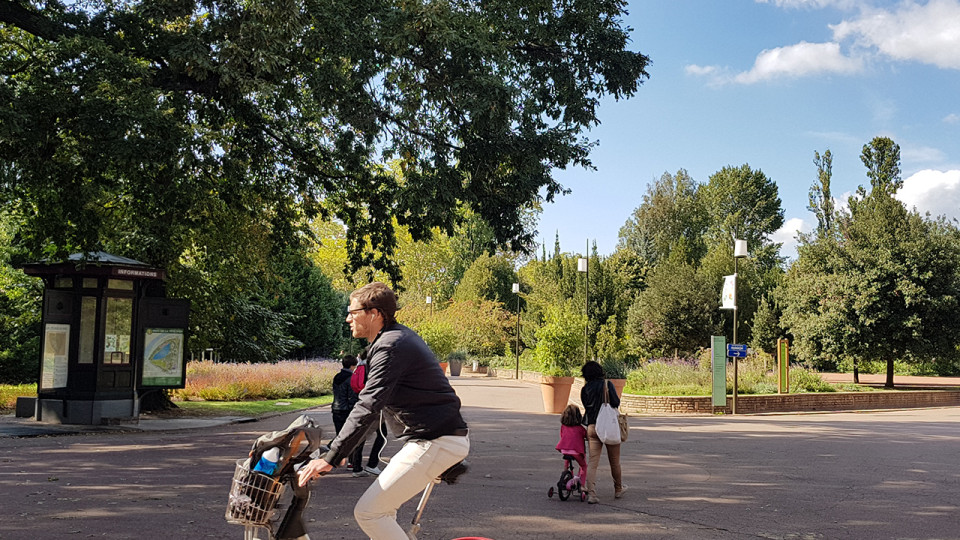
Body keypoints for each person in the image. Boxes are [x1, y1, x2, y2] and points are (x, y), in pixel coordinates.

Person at [298, 282, 470, 540]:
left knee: (370, 513)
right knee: (382, 513)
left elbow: (368, 405)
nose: (348, 318)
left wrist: (332, 456)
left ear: (374, 313)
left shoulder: (392, 346)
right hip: (434, 439)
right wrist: (337, 451)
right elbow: (374, 411)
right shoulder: (390, 340)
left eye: (352, 311)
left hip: (435, 442)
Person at [580, 360, 625, 504]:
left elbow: (586, 406)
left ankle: (591, 493)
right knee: (614, 461)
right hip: (608, 426)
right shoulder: (607, 385)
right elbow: (616, 403)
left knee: (593, 462)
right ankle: (618, 489)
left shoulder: (584, 389)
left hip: (592, 426)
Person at [331, 355, 367, 477]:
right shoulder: (351, 378)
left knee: (340, 437)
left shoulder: (337, 377)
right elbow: (352, 396)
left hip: (336, 409)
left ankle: (335, 459)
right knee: (354, 437)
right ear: (353, 365)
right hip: (347, 410)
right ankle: (355, 465)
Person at [555, 404, 587, 489]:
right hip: (576, 450)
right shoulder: (580, 428)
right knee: (583, 465)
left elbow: (562, 436)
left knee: (567, 460)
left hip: (564, 449)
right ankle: (582, 485)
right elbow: (586, 436)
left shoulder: (563, 427)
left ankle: (565, 473)